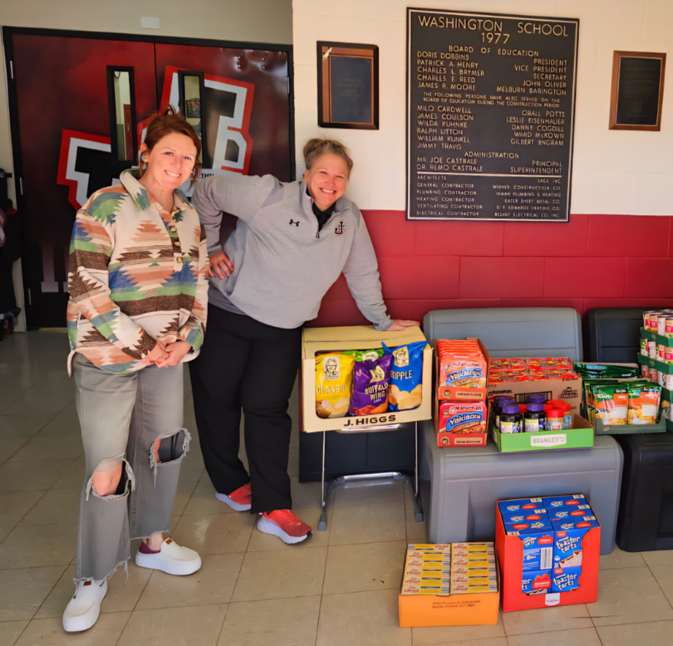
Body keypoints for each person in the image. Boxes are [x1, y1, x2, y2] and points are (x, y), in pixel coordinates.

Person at [190, 137, 418, 544]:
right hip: (227, 311)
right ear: (307, 173)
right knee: (217, 403)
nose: (331, 183)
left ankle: (273, 506)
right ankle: (228, 483)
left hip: (283, 326)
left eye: (340, 176)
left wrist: (381, 322)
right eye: (323, 173)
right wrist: (209, 246)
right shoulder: (269, 195)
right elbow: (206, 190)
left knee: (268, 411)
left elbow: (362, 272)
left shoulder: (350, 218)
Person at [62, 110, 208, 632]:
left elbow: (200, 288)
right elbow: (87, 289)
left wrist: (187, 340)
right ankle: (93, 576)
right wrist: (144, 344)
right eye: (168, 152)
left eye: (188, 157)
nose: (178, 164)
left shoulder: (190, 216)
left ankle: (152, 540)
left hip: (167, 360)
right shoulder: (106, 205)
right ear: (145, 152)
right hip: (107, 359)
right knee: (106, 466)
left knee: (162, 450)